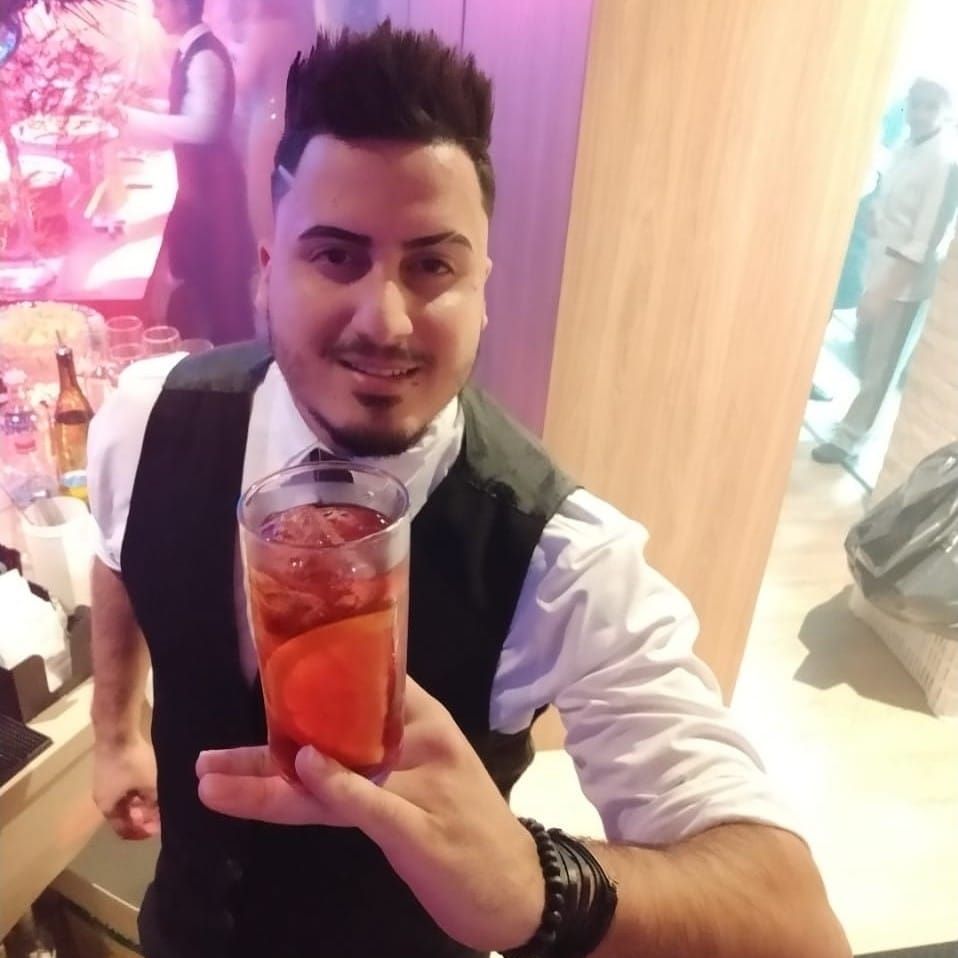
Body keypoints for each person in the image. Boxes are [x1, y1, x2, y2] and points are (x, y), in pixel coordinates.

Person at [89, 24, 851, 958]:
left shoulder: (561, 558)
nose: (385, 319)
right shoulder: (146, 419)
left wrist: (539, 884)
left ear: (483, 288)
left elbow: (796, 924)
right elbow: (117, 552)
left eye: (432, 265)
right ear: (267, 273)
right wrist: (115, 728)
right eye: (335, 256)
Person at [812, 77, 958, 465]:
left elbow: (924, 240)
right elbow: (889, 196)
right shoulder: (906, 146)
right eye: (916, 104)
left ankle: (850, 438)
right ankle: (857, 422)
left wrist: (883, 291)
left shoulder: (944, 162)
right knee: (865, 353)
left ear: (946, 111)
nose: (920, 113)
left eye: (930, 106)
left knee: (881, 367)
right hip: (877, 264)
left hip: (902, 283)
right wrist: (874, 216)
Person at [123, 0, 255, 345]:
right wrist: (147, 108)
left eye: (160, 5)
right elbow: (191, 109)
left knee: (224, 297)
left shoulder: (205, 56)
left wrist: (130, 118)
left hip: (216, 195)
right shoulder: (193, 52)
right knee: (204, 288)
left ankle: (234, 366)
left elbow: (204, 127)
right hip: (204, 191)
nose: (155, 13)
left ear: (182, 6)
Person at [230, 0, 313, 248]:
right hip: (297, 119)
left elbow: (243, 81)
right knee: (290, 198)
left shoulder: (264, 28)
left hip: (268, 122)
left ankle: (269, 260)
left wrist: (228, 54)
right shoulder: (302, 26)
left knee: (263, 201)